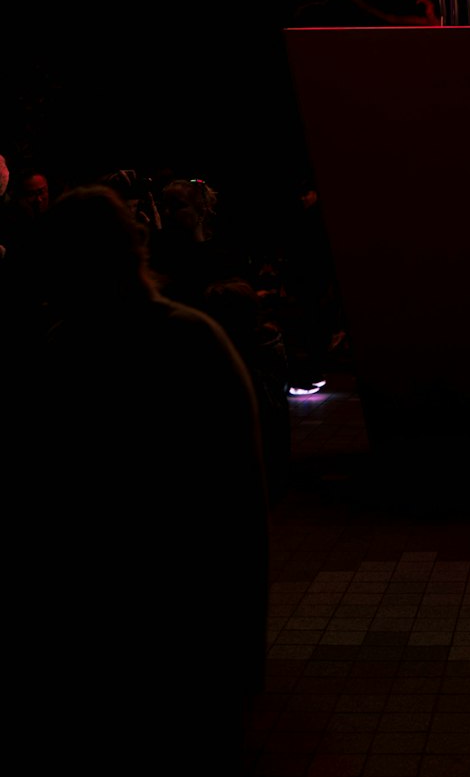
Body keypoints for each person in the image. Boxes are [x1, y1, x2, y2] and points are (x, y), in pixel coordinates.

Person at [5, 185, 269, 774]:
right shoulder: (193, 340)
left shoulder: (63, 353)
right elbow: (238, 504)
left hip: (100, 642)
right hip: (189, 630)